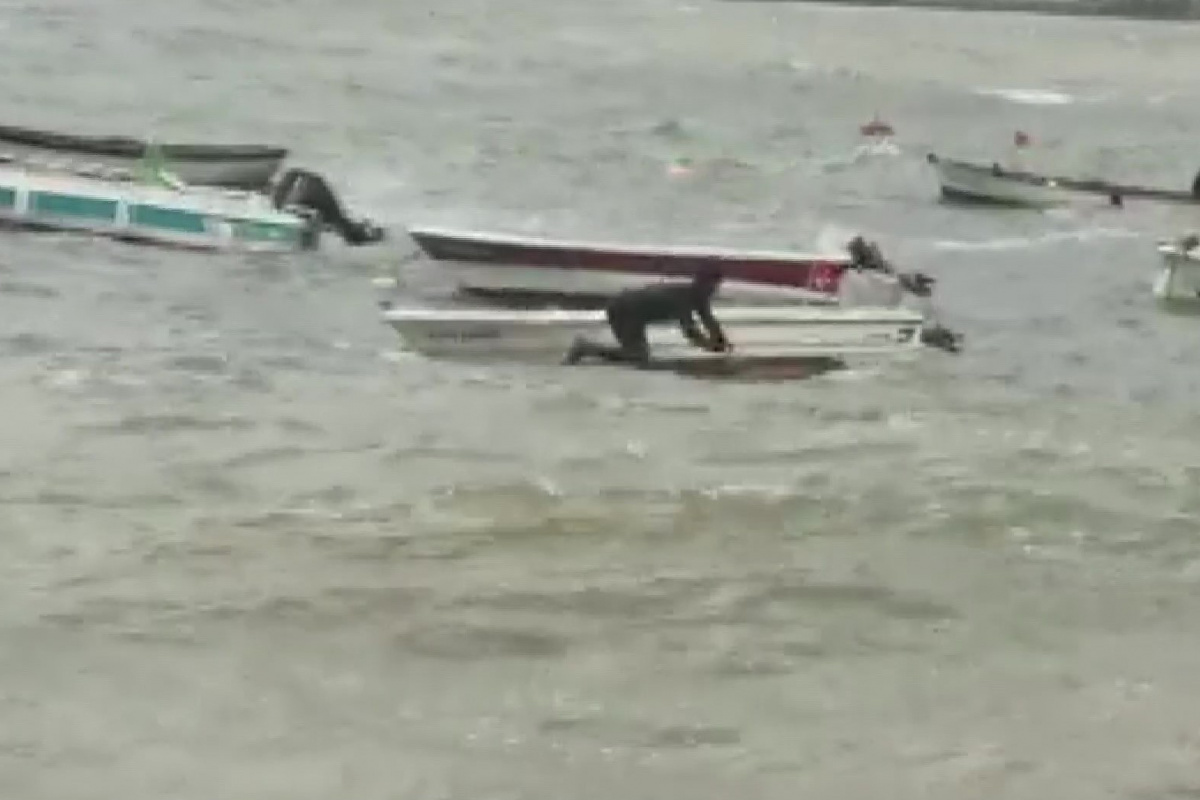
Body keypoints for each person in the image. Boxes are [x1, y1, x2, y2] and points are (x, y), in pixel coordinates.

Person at [563, 267, 731, 367]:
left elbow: (709, 320)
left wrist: (722, 342)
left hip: (633, 310)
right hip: (624, 309)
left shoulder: (699, 297)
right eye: (712, 286)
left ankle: (588, 348)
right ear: (701, 283)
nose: (714, 290)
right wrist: (710, 346)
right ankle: (586, 348)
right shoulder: (682, 298)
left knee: (638, 354)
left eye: (716, 286)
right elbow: (690, 332)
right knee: (638, 356)